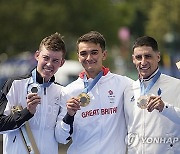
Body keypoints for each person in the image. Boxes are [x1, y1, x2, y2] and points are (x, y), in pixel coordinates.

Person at [55, 31, 132, 154]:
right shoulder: (68, 91)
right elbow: (61, 138)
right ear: (78, 57)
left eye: (94, 53)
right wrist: (69, 116)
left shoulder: (124, 84)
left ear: (104, 54)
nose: (89, 58)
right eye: (84, 53)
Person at [0, 32, 66, 154]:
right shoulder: (15, 84)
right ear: (37, 55)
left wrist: (70, 117)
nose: (49, 64)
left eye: (55, 60)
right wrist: (27, 112)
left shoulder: (62, 92)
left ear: (61, 63)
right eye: (46, 58)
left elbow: (63, 138)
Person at [124, 36, 180, 154]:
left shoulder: (176, 85)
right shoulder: (128, 90)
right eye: (139, 57)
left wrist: (164, 108)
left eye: (148, 56)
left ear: (158, 57)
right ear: (133, 59)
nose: (143, 62)